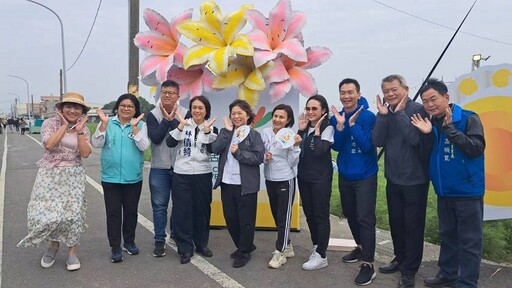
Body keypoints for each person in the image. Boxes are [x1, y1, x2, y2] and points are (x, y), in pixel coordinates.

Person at [411, 78, 485, 288]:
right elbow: (428, 157)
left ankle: (467, 282)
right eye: (425, 101)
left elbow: (476, 148)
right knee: (448, 236)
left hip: (467, 192)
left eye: (433, 99)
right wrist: (426, 135)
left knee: (470, 242)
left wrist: (450, 129)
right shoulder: (431, 123)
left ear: (446, 97)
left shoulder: (469, 118)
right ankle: (447, 274)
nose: (429, 105)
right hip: (444, 192)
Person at [17, 92, 91, 271]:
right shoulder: (50, 124)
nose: (72, 110)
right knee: (49, 215)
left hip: (73, 175)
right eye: (69, 106)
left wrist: (79, 131)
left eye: (77, 107)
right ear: (61, 108)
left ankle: (72, 252)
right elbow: (49, 145)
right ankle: (53, 246)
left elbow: (85, 153)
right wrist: (64, 126)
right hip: (50, 175)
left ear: (81, 110)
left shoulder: (84, 128)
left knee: (73, 215)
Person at [371, 74, 431, 288]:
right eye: (386, 91)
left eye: (393, 89)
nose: (390, 94)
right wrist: (382, 115)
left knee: (413, 225)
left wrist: (398, 115)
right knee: (396, 222)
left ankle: (409, 270)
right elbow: (377, 140)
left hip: (415, 180)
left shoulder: (417, 110)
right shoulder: (387, 113)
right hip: (393, 178)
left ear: (405, 88)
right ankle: (400, 257)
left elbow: (415, 139)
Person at [330, 79, 378, 285]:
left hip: (366, 174)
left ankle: (368, 263)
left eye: (350, 92)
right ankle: (360, 247)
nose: (346, 96)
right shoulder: (337, 117)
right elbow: (338, 148)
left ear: (359, 94)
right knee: (350, 214)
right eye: (343, 93)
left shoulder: (368, 117)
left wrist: (352, 125)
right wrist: (340, 126)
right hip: (345, 173)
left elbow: (368, 146)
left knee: (365, 218)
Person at [91, 93, 149, 263]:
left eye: (130, 106)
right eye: (123, 105)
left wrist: (135, 128)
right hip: (110, 178)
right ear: (117, 107)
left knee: (131, 212)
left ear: (135, 109)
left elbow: (144, 146)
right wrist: (103, 125)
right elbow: (97, 144)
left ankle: (129, 242)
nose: (126, 108)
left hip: (133, 178)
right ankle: (115, 246)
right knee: (113, 213)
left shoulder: (142, 125)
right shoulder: (108, 123)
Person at [211, 99, 265, 268]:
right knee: (231, 219)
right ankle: (245, 245)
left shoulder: (254, 135)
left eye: (240, 113)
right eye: (233, 113)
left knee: (246, 220)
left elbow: (258, 157)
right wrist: (227, 133)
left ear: (248, 115)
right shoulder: (226, 132)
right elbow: (215, 149)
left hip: (245, 185)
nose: (236, 116)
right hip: (227, 183)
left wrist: (239, 153)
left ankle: (244, 252)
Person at [166, 96, 217, 264]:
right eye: (194, 107)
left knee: (202, 210)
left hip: (202, 174)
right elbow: (170, 142)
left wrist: (208, 131)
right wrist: (180, 126)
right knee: (182, 211)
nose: (197, 111)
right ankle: (185, 248)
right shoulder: (182, 125)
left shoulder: (210, 127)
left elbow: (213, 149)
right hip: (182, 173)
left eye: (201, 108)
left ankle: (201, 244)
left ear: (206, 111)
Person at [146, 80, 188, 257]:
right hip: (159, 167)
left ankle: (177, 237)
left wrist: (173, 121)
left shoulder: (186, 114)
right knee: (159, 206)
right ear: (160, 94)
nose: (167, 95)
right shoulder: (152, 114)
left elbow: (180, 137)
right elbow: (155, 138)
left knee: (180, 206)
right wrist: (166, 119)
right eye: (164, 92)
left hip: (181, 167)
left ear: (178, 96)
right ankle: (159, 240)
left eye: (171, 93)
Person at [261, 104, 301, 269]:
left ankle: (280, 251)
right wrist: (265, 157)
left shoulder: (291, 136)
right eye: (275, 116)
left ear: (288, 120)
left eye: (281, 117)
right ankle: (288, 246)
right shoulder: (265, 133)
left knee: (284, 217)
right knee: (277, 216)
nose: (277, 119)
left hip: (286, 179)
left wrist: (296, 146)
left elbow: (293, 162)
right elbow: (261, 154)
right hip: (270, 179)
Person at [297, 94, 334, 271]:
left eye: (314, 109)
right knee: (309, 213)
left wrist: (317, 132)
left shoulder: (328, 127)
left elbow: (319, 151)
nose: (310, 112)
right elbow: (296, 147)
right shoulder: (304, 128)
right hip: (304, 177)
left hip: (321, 178)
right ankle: (316, 245)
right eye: (308, 108)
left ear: (323, 111)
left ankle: (322, 255)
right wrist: (301, 130)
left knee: (320, 214)